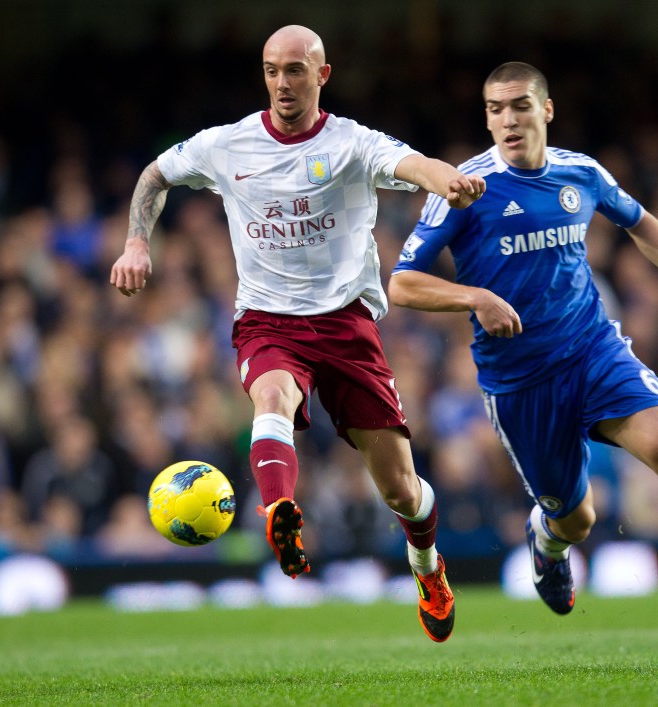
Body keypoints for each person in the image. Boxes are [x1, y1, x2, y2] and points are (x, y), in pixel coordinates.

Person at [388, 62, 658, 650]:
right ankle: (547, 539)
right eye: (495, 109)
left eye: (519, 106)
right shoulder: (466, 188)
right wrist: (476, 297)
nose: (507, 120)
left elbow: (641, 223)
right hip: (521, 383)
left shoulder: (579, 172)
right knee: (575, 518)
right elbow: (402, 283)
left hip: (594, 349)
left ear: (547, 110)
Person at [110, 25, 486, 643]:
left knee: (400, 489)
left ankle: (427, 566)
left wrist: (448, 181)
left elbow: (412, 163)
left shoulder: (350, 143)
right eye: (271, 70)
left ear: (322, 75)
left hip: (346, 324)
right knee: (273, 396)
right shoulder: (226, 145)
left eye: (295, 70)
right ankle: (278, 507)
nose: (282, 83)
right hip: (267, 319)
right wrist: (135, 241)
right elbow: (155, 175)